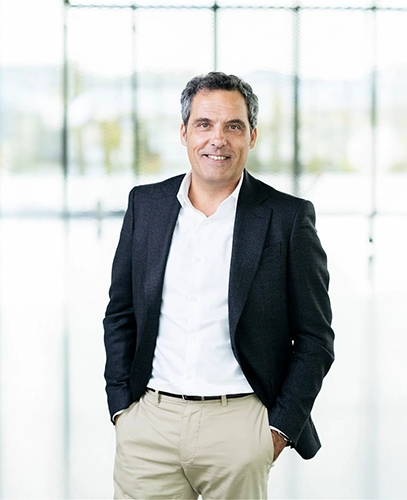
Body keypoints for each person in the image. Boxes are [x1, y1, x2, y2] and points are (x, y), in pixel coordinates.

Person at [103, 71, 334, 500]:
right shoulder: (146, 206)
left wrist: (278, 430)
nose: (218, 139)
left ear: (252, 136)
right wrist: (121, 408)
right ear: (184, 132)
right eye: (204, 124)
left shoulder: (287, 218)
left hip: (240, 426)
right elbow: (120, 313)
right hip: (149, 426)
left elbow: (315, 338)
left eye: (233, 126)